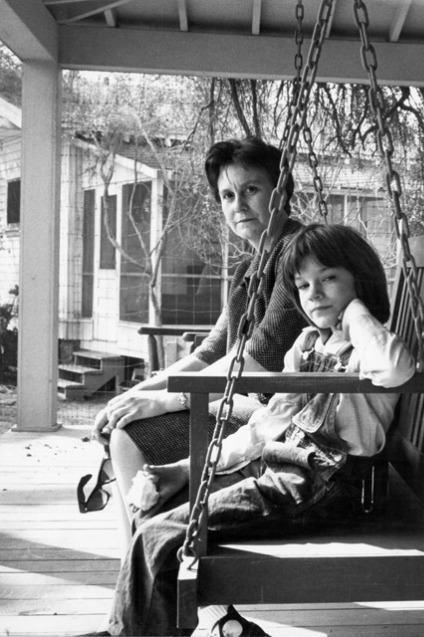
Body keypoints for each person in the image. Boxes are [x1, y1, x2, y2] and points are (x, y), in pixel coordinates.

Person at [90, 223, 415, 636]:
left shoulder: (372, 349)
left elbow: (396, 368)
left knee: (164, 533)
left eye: (329, 278)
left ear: (361, 280)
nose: (313, 294)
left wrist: (355, 313)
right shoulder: (307, 345)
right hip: (282, 472)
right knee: (158, 507)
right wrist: (187, 469)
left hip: (325, 488)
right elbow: (265, 427)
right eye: (302, 284)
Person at [91, 137, 307, 538]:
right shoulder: (251, 268)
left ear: (282, 190)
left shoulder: (298, 254)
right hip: (248, 409)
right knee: (125, 422)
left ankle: (154, 561)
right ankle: (153, 557)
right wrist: (138, 393)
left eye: (251, 190)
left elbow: (256, 360)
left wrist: (161, 401)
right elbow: (211, 351)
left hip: (280, 424)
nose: (238, 205)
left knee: (129, 437)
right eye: (227, 195)